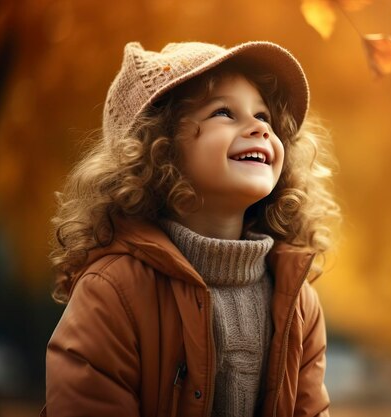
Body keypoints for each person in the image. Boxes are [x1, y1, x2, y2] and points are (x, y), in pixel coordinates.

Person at [42, 40, 340, 417]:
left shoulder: (296, 302)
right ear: (159, 147)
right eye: (224, 112)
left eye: (264, 117)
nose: (259, 129)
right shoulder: (114, 290)